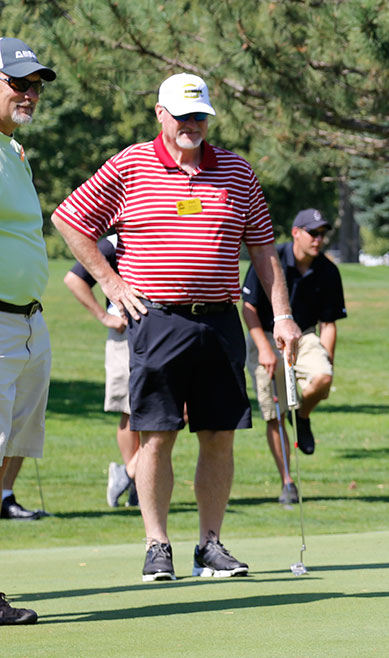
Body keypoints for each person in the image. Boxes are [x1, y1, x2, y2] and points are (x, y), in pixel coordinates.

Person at [52, 73, 301, 582]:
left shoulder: (236, 170)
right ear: (160, 114)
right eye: (183, 115)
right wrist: (113, 285)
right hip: (157, 319)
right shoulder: (130, 164)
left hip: (218, 321)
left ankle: (209, 545)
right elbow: (70, 220)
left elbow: (262, 250)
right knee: (157, 436)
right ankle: (157, 544)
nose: (192, 125)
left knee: (219, 436)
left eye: (200, 116)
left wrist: (284, 314)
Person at [0, 36, 55, 623]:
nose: (30, 93)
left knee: (13, 453)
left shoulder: (13, 152)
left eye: (36, 84)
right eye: (19, 82)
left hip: (28, 322)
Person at [241, 208, 346, 504]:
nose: (319, 239)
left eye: (322, 234)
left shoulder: (327, 270)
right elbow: (248, 308)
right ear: (296, 233)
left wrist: (327, 364)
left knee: (322, 377)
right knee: (275, 414)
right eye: (313, 233)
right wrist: (263, 347)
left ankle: (302, 417)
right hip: (265, 335)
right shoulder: (270, 260)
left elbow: (329, 324)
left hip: (305, 335)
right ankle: (287, 482)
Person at [63, 234, 141, 507]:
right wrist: (105, 316)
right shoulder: (114, 243)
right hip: (127, 334)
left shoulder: (165, 230)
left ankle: (129, 474)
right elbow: (74, 279)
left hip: (165, 331)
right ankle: (137, 484)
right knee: (130, 411)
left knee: (173, 411)